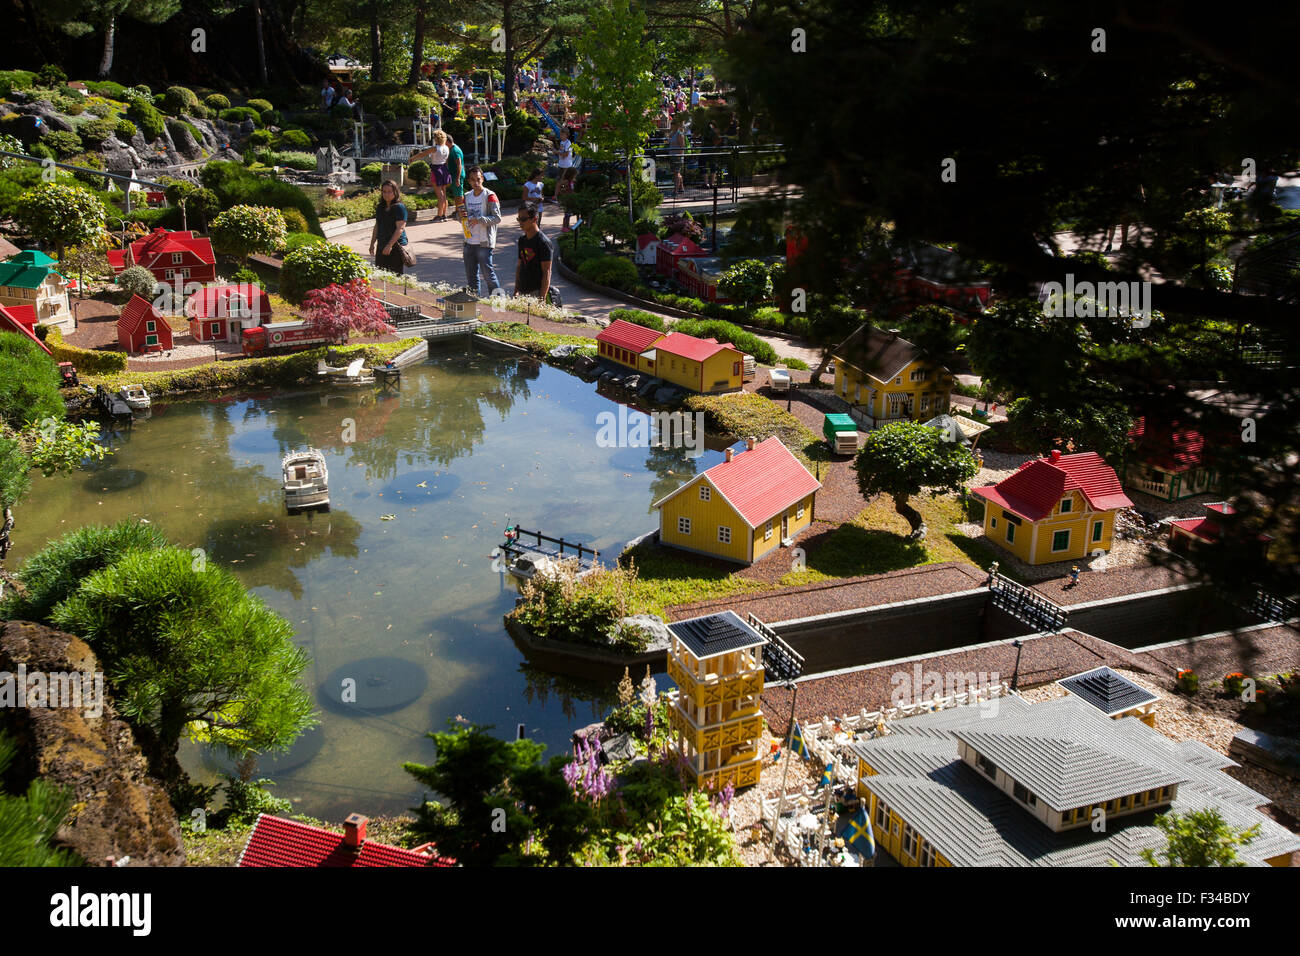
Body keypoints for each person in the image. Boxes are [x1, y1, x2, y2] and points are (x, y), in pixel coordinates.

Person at [461, 165, 502, 296]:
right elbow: (460, 216)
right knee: (471, 278)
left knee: (489, 276)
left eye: (478, 179)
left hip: (484, 243)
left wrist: (479, 219)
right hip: (469, 242)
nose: (476, 182)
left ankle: (499, 304)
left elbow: (497, 218)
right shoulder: (467, 196)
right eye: (473, 180)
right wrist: (459, 216)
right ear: (469, 181)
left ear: (483, 179)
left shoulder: (490, 195)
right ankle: (474, 304)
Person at [514, 205, 552, 305]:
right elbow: (519, 266)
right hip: (522, 291)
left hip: (536, 292)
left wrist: (542, 299)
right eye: (519, 219)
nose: (520, 223)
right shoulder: (522, 240)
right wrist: (516, 290)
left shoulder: (543, 242)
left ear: (534, 219)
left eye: (523, 219)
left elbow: (547, 272)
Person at [410, 129, 451, 221]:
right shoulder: (446, 148)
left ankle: (439, 215)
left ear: (436, 138)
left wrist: (413, 158)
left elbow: (422, 154)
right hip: (444, 169)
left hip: (436, 170)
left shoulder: (435, 148)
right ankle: (444, 215)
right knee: (444, 194)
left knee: (439, 195)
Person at [369, 179, 408, 275]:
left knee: (395, 276)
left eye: (389, 192)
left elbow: (400, 228)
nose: (387, 194)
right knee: (380, 274)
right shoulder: (380, 207)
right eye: (384, 192)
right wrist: (372, 243)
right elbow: (377, 226)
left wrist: (389, 245)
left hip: (396, 246)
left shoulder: (399, 207)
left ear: (395, 192)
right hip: (382, 244)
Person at [446, 132, 465, 211]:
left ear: (447, 141)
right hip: (455, 175)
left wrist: (457, 178)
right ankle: (458, 210)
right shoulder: (452, 149)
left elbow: (459, 165)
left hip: (457, 175)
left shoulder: (455, 150)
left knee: (459, 194)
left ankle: (460, 211)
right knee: (457, 194)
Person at [554, 127, 574, 200]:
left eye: (563, 135)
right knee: (560, 181)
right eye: (560, 134)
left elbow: (566, 154)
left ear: (567, 135)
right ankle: (557, 197)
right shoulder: (561, 142)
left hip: (566, 165)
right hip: (561, 164)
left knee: (563, 182)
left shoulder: (568, 143)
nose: (561, 136)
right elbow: (561, 152)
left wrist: (557, 152)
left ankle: (559, 196)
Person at [557, 167, 577, 232]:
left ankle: (567, 226)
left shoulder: (572, 181)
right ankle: (564, 226)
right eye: (574, 174)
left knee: (569, 213)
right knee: (567, 213)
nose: (575, 175)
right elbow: (560, 187)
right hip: (567, 199)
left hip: (571, 199)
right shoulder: (566, 181)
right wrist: (563, 193)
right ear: (571, 174)